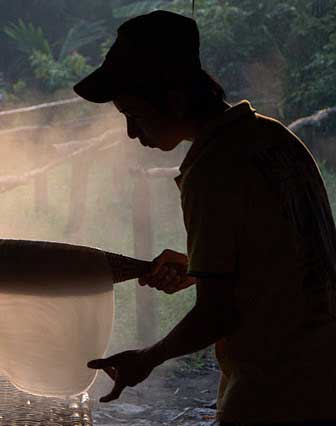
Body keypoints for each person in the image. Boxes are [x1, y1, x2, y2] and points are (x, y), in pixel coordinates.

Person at [74, 10, 336, 426]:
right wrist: (200, 269)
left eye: (133, 114)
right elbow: (294, 258)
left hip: (273, 392)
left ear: (174, 97)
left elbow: (219, 314)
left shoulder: (211, 169)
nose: (129, 133)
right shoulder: (277, 139)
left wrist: (147, 358)